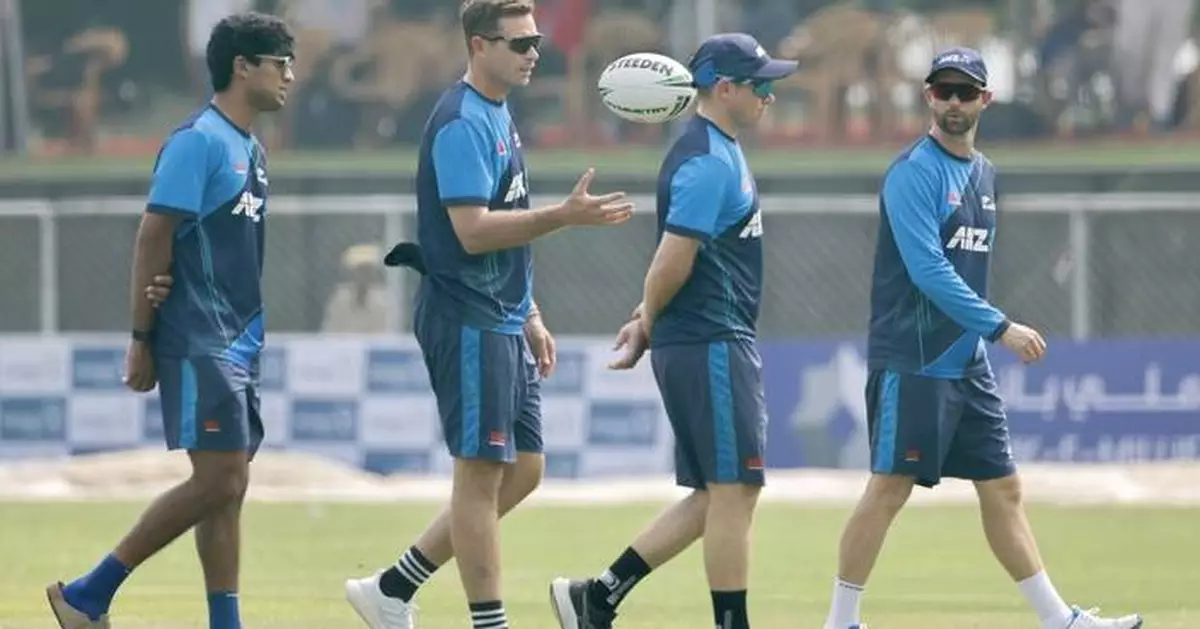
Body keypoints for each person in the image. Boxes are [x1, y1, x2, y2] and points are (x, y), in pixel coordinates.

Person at [820, 47, 1143, 629]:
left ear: (985, 101)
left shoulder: (985, 173)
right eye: (943, 91)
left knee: (1003, 490)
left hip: (965, 363)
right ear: (928, 97)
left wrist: (981, 339)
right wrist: (1001, 328)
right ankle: (840, 623)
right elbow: (929, 271)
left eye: (965, 92)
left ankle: (1059, 620)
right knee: (890, 489)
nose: (953, 102)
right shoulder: (912, 173)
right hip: (914, 359)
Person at [343, 2, 634, 629]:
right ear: (480, 45)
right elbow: (472, 232)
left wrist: (529, 311)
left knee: (524, 470)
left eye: (536, 43)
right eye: (520, 43)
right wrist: (562, 215)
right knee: (479, 478)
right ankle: (489, 623)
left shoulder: (498, 113)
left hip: (502, 315)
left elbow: (504, 223)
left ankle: (391, 588)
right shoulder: (461, 121)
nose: (534, 53)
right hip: (466, 316)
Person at [44, 11, 294, 629]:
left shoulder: (251, 147)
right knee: (219, 479)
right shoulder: (199, 141)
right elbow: (153, 235)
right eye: (280, 62)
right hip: (198, 336)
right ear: (243, 66)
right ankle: (88, 593)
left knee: (227, 488)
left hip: (238, 337)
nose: (291, 74)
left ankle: (223, 622)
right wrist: (142, 337)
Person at [548, 33, 796, 629]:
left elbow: (674, 260)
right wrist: (647, 321)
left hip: (708, 339)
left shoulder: (713, 149)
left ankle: (598, 597)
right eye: (759, 84)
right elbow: (672, 257)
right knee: (735, 491)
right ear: (725, 88)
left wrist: (647, 318)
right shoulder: (709, 160)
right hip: (710, 340)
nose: (769, 94)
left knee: (719, 493)